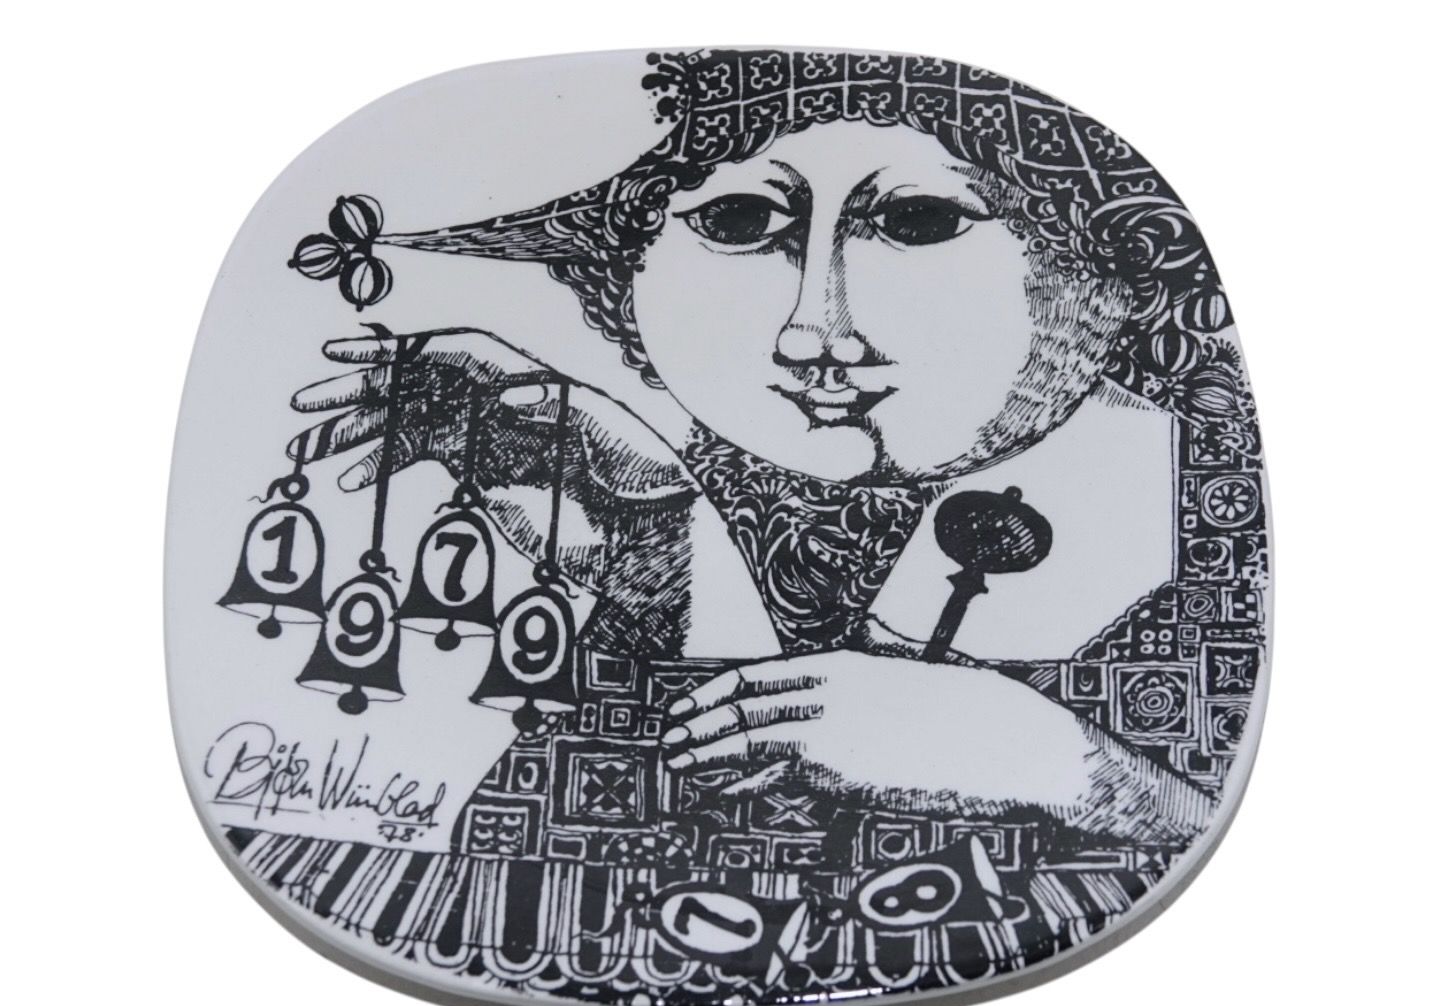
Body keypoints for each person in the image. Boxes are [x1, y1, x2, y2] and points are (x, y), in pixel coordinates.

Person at [286, 50, 1259, 847]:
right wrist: (668, 550)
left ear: (1101, 270)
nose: (813, 329)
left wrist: (1068, 770)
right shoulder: (706, 480)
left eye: (917, 222)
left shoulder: (1204, 504)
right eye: (739, 220)